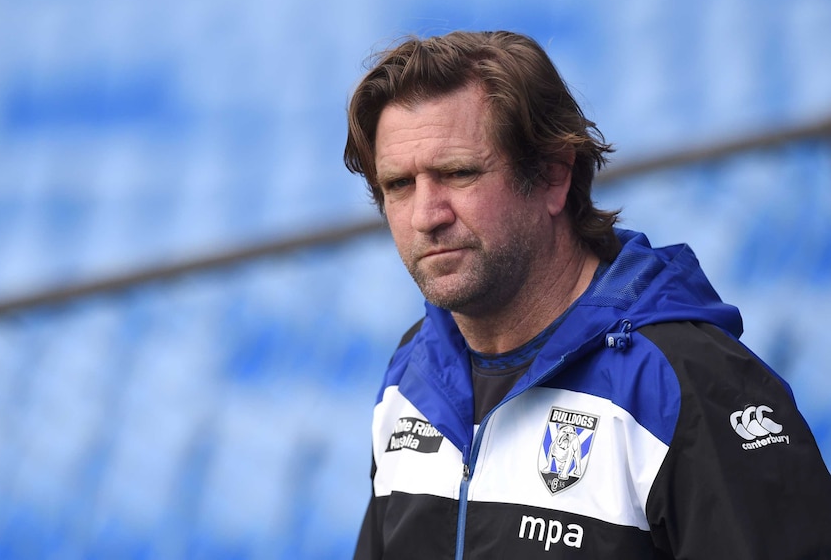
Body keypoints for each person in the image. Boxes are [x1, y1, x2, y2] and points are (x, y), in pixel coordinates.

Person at [343, 30, 831, 559]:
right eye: (398, 185)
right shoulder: (411, 375)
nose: (425, 216)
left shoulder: (686, 385)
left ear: (554, 176)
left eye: (458, 174)